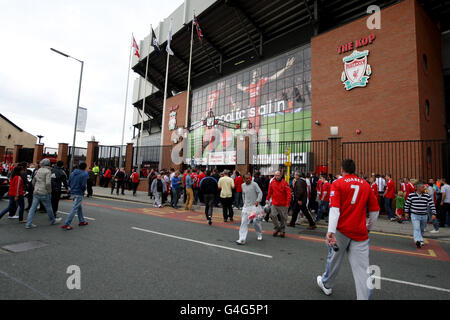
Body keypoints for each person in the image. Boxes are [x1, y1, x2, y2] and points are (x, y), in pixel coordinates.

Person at [316, 159, 380, 300]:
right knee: (362, 270)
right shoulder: (366, 185)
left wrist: (330, 231)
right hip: (360, 232)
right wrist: (368, 227)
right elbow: (375, 211)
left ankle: (327, 284)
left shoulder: (337, 183)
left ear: (342, 169)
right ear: (354, 169)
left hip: (341, 230)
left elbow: (335, 209)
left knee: (334, 260)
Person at [25, 159, 62, 229]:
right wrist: (49, 191)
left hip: (36, 191)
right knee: (49, 207)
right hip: (44, 192)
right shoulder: (48, 171)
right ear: (48, 164)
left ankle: (28, 223)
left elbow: (33, 181)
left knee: (33, 208)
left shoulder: (38, 170)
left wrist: (35, 187)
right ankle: (52, 220)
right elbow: (48, 183)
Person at [404, 181, 437, 247]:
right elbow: (407, 204)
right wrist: (406, 212)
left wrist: (434, 213)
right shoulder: (411, 195)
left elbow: (432, 205)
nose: (424, 188)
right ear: (418, 188)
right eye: (422, 187)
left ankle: (420, 239)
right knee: (416, 228)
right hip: (414, 215)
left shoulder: (427, 196)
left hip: (424, 215)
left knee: (422, 229)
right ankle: (418, 241)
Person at [236, 173, 263, 245]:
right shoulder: (242, 185)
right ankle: (242, 239)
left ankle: (259, 233)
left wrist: (258, 200)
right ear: (244, 179)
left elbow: (260, 192)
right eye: (247, 178)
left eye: (249, 178)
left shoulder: (254, 184)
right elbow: (243, 194)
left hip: (254, 207)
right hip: (246, 207)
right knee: (243, 223)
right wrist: (244, 202)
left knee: (255, 222)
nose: (248, 179)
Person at [62, 163, 89, 230]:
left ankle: (82, 221)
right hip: (79, 192)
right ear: (85, 168)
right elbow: (83, 185)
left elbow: (69, 182)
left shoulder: (73, 173)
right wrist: (84, 190)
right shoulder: (85, 174)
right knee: (75, 208)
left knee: (78, 207)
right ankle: (67, 223)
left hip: (73, 192)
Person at [266, 170, 292, 237]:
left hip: (283, 204)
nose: (277, 177)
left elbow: (289, 194)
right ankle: (277, 228)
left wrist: (287, 203)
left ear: (281, 175)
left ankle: (282, 231)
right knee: (273, 215)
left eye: (278, 175)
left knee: (283, 218)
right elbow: (269, 191)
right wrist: (267, 199)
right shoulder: (272, 182)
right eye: (275, 175)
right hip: (275, 203)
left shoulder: (285, 183)